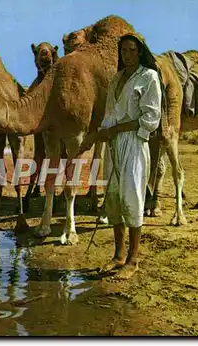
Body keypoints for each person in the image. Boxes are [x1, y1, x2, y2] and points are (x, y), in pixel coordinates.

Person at [78, 32, 162, 280]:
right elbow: (110, 116)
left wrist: (116, 130)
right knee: (113, 198)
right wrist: (96, 137)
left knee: (132, 196)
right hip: (114, 145)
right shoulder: (116, 79)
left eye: (132, 50)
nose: (127, 55)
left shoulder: (149, 78)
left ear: (140, 51)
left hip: (135, 143)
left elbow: (150, 119)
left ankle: (134, 259)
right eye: (123, 51)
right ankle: (118, 254)